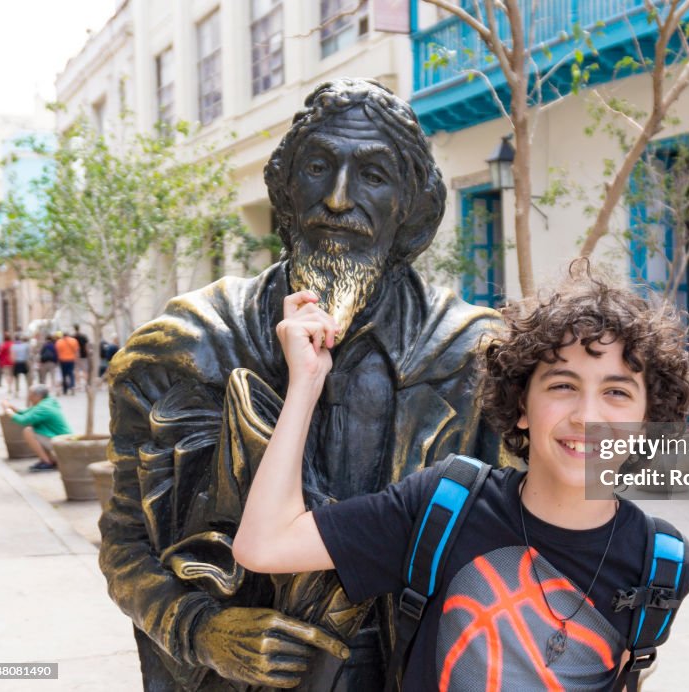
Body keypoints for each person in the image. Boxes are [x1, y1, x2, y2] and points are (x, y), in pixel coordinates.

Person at [99, 79, 503, 690]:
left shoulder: (477, 360)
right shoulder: (183, 348)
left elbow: (535, 539)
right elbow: (125, 544)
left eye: (372, 175)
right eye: (318, 167)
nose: (338, 200)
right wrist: (199, 631)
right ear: (285, 190)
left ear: (413, 210)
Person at [234, 265, 689, 690]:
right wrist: (307, 382)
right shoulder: (445, 507)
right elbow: (264, 545)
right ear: (521, 405)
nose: (587, 416)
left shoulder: (660, 562)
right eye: (562, 385)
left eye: (616, 392)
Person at [1, 384, 73, 472]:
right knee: (31, 430)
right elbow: (25, 412)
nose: (29, 397)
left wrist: (7, 411)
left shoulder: (43, 408)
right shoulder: (47, 402)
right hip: (60, 439)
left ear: (37, 396)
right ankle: (50, 459)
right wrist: (11, 407)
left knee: (28, 432)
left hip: (61, 442)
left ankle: (47, 462)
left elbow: (23, 420)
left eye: (30, 394)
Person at [54, 331, 79, 395]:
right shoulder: (73, 341)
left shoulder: (59, 342)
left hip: (62, 360)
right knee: (71, 373)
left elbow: (57, 352)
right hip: (71, 359)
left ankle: (65, 389)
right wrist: (76, 359)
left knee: (64, 375)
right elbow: (76, 350)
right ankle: (72, 386)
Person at [72, 324, 90, 392]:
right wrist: (88, 354)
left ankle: (78, 384)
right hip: (84, 355)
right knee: (85, 370)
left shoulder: (73, 337)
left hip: (75, 356)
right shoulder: (83, 336)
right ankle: (85, 384)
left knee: (76, 370)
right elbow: (86, 346)